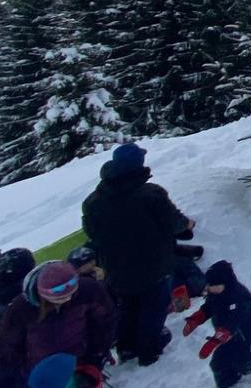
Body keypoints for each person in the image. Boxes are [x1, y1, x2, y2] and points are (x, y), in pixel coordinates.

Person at [81, 143, 192, 366]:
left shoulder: (94, 201)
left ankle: (126, 347)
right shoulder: (151, 194)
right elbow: (174, 223)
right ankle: (149, 350)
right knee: (153, 306)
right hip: (153, 264)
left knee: (127, 306)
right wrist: (186, 224)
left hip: (115, 266)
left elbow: (91, 232)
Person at [0, 261, 114, 388]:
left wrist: (94, 360)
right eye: (60, 296)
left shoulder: (88, 290)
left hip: (79, 367)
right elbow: (7, 350)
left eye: (72, 292)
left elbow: (104, 323)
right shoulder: (20, 309)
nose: (68, 298)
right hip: (41, 377)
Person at [182, 261, 251, 388]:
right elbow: (208, 308)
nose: (209, 288)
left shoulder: (239, 297)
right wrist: (195, 319)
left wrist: (214, 341)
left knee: (242, 363)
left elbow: (232, 323)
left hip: (247, 338)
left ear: (223, 283)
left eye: (212, 285)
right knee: (218, 364)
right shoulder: (216, 294)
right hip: (229, 340)